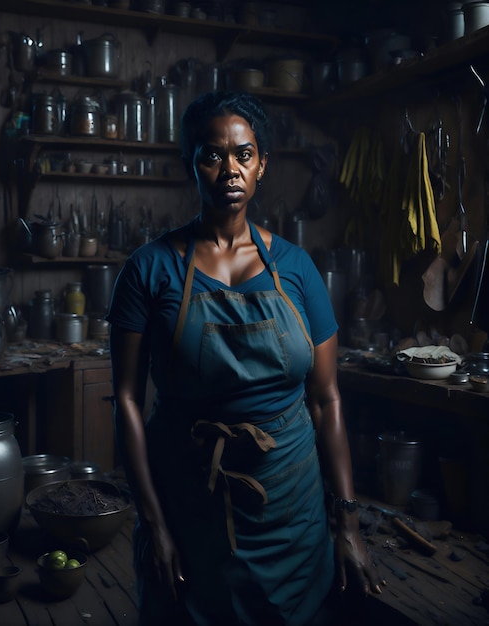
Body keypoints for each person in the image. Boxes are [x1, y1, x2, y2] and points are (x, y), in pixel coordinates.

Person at [106, 91, 385, 626]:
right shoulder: (149, 270)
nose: (229, 169)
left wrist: (346, 525)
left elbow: (326, 401)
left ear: (261, 166)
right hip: (189, 505)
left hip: (291, 508)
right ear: (192, 164)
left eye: (244, 154)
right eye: (212, 155)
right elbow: (126, 401)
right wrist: (155, 524)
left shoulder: (298, 269)